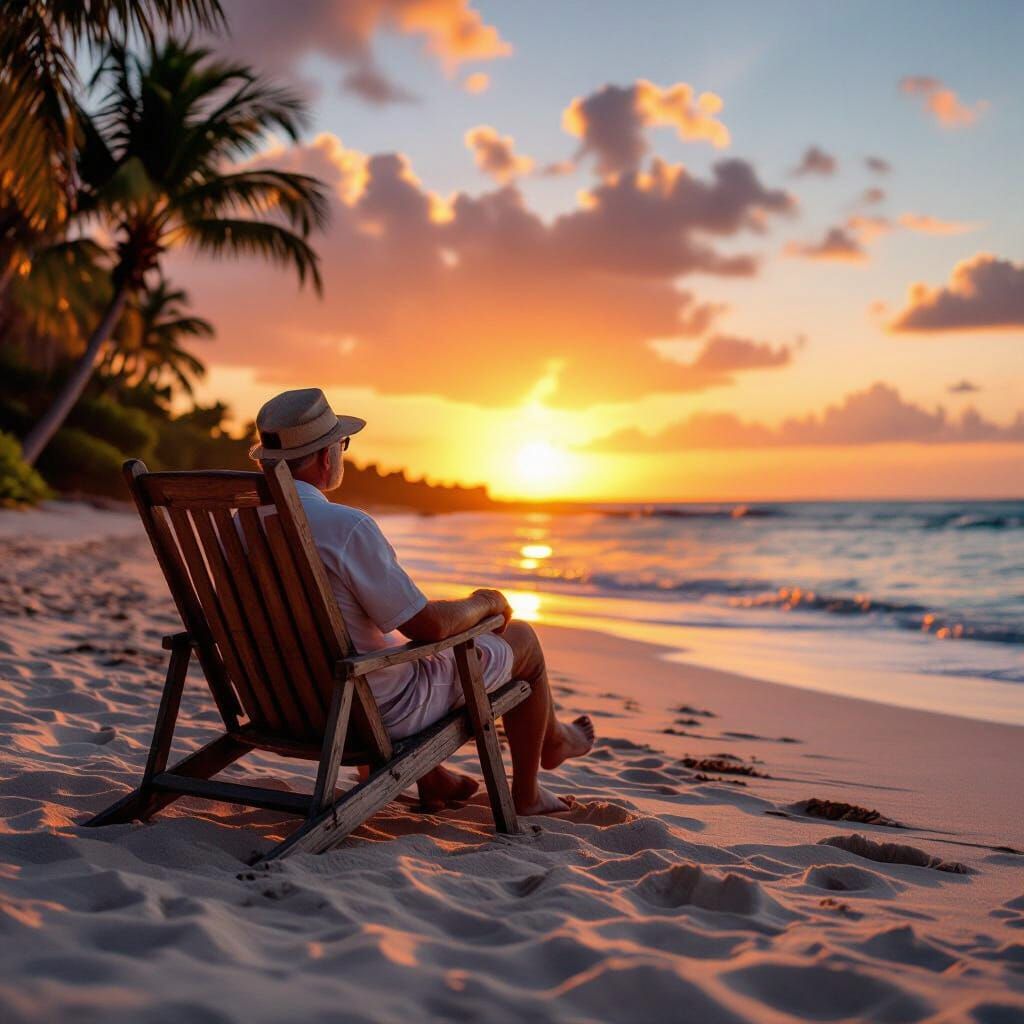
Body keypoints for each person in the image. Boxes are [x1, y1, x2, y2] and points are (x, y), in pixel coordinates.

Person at [251, 388, 594, 815]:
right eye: (342, 444)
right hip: (364, 709)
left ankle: (436, 780)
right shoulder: (344, 526)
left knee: (384, 644)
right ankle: (531, 783)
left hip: (281, 704)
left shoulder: (239, 525)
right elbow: (427, 627)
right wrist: (484, 602)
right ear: (326, 456)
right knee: (522, 638)